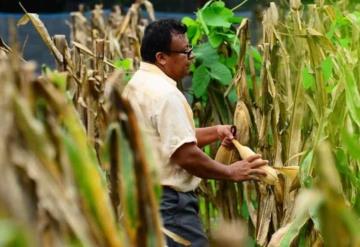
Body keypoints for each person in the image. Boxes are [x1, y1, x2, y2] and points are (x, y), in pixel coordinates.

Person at [122, 19, 268, 247]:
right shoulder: (166, 95)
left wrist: (215, 131)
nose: (192, 57)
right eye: (185, 51)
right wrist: (230, 171)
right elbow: (185, 154)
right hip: (170, 207)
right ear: (161, 57)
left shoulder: (137, 85)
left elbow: (170, 138)